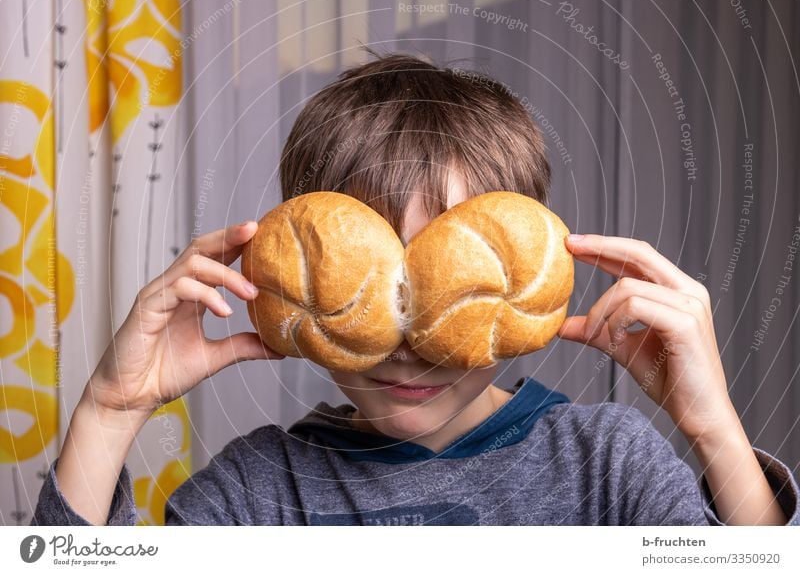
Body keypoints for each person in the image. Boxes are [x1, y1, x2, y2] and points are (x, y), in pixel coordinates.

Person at [32, 53, 798, 526]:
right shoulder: (256, 493)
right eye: (370, 286)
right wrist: (110, 410)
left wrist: (716, 430)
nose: (405, 346)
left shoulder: (607, 464)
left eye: (444, 288)